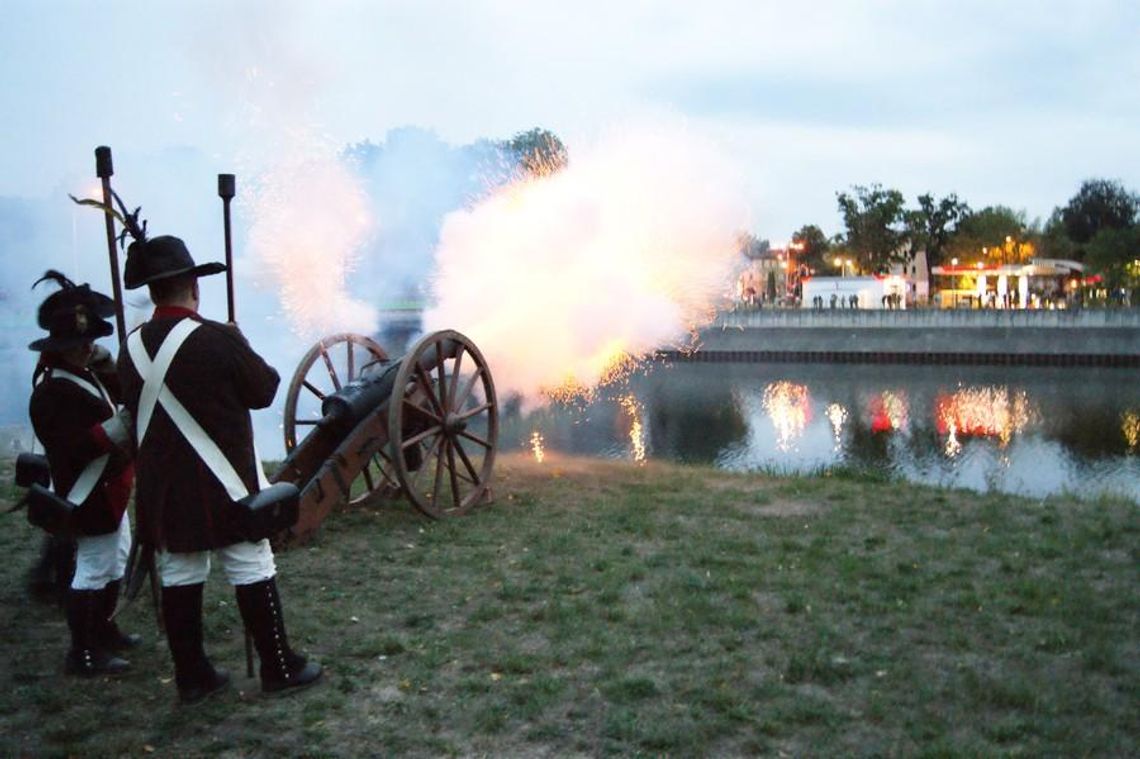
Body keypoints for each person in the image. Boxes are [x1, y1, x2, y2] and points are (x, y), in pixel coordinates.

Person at [116, 235, 321, 704]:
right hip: (222, 481)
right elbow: (264, 389)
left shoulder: (131, 348)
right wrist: (239, 341)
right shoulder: (216, 338)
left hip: (164, 488)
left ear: (152, 292)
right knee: (251, 562)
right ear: (193, 286)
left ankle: (192, 675)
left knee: (181, 571)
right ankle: (278, 665)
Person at [27, 271, 139, 677]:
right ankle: (83, 652)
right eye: (77, 344)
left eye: (88, 341)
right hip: (87, 489)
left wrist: (108, 368)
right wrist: (120, 428)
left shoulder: (83, 373)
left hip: (109, 487)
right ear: (60, 347)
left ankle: (104, 629)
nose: (86, 348)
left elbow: (118, 395)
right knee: (93, 569)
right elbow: (72, 448)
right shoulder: (51, 391)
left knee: (115, 560)